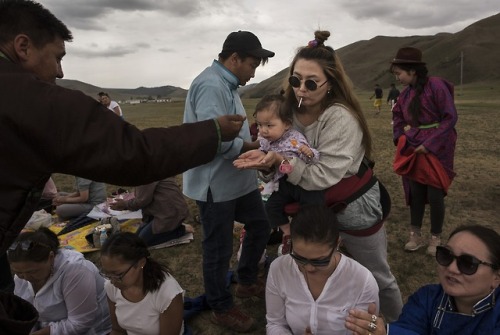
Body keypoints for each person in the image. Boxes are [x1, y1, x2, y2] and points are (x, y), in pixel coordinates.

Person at [0, 0, 244, 297]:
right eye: (56, 57)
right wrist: (214, 130)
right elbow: (135, 153)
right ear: (23, 46)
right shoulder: (29, 100)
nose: (61, 72)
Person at [234, 30, 403, 322]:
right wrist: (265, 162)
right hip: (308, 204)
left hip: (352, 206)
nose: (301, 88)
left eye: (311, 82)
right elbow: (278, 155)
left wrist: (280, 161)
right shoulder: (288, 113)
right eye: (295, 80)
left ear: (330, 84)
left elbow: (322, 175)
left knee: (376, 274)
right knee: (317, 268)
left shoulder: (340, 118)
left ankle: (398, 324)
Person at [182, 30, 274, 333]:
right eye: (252, 64)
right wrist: (251, 146)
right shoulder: (211, 85)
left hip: (237, 179)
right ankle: (220, 306)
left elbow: (230, 130)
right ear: (234, 58)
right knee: (218, 248)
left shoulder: (229, 84)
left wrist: (250, 136)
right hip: (215, 184)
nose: (254, 72)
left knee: (260, 225)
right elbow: (217, 140)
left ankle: (246, 281)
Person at [346, 224, 500, 334]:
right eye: (446, 255)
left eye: (468, 264)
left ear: (496, 277)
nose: (452, 268)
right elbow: (408, 329)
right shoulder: (427, 298)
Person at [266, 205, 379, 335]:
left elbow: (366, 330)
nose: (309, 268)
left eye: (320, 260)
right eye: (299, 258)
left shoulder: (362, 281)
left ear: (337, 244)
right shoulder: (279, 268)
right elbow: (276, 323)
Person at [390, 47, 458, 256]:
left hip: (439, 146)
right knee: (416, 191)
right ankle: (415, 235)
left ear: (412, 71)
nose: (398, 77)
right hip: (414, 146)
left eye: (399, 73)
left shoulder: (436, 86)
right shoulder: (405, 95)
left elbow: (450, 117)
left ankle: (436, 237)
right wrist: (401, 138)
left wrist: (430, 144)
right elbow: (398, 117)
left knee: (435, 193)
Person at [7, 227, 111, 334]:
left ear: (51, 257)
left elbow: (80, 323)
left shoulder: (75, 271)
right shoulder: (22, 276)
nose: (26, 277)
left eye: (33, 272)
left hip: (93, 330)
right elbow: (25, 313)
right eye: (18, 272)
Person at [100, 232, 186, 335]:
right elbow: (118, 331)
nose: (112, 280)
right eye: (107, 274)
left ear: (141, 263)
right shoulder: (112, 286)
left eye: (118, 274)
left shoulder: (167, 293)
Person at [253, 94, 318, 196]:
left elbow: (311, 160)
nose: (263, 130)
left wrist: (309, 153)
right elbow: (264, 154)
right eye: (259, 125)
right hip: (279, 186)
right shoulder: (266, 141)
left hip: (298, 184)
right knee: (271, 209)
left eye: (269, 125)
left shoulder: (294, 140)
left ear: (287, 124)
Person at [109, 177, 193, 247]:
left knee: (142, 242)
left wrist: (125, 204)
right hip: (161, 212)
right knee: (136, 239)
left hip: (169, 213)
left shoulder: (146, 174)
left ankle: (180, 230)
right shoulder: (148, 168)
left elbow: (141, 201)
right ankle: (172, 227)